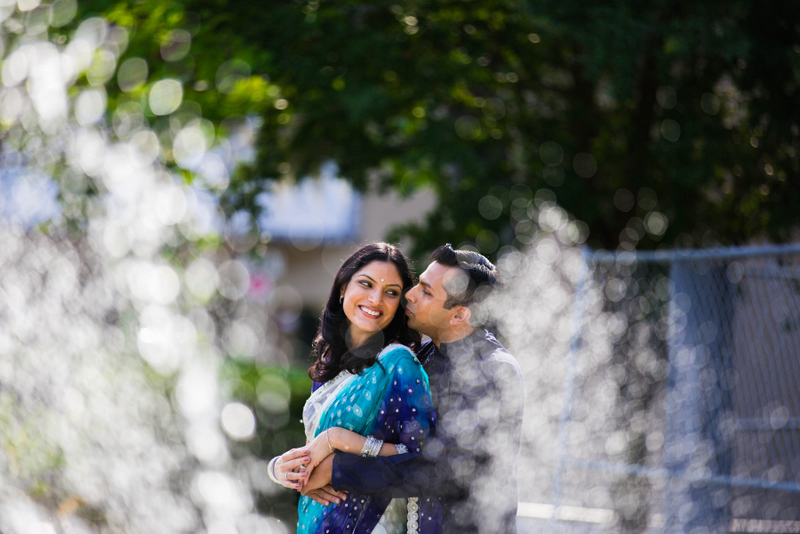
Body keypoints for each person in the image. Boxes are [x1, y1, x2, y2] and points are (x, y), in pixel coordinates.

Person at [300, 244, 524, 534]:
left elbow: (447, 469)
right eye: (419, 283)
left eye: (426, 291)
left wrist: (337, 469)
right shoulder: (421, 357)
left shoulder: (494, 370)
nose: (410, 294)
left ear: (459, 315)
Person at [267, 242, 442, 534]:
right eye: (366, 284)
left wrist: (338, 440)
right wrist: (278, 469)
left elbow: (418, 459)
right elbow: (312, 452)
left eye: (391, 292)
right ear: (342, 288)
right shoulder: (330, 362)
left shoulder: (399, 364)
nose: (376, 299)